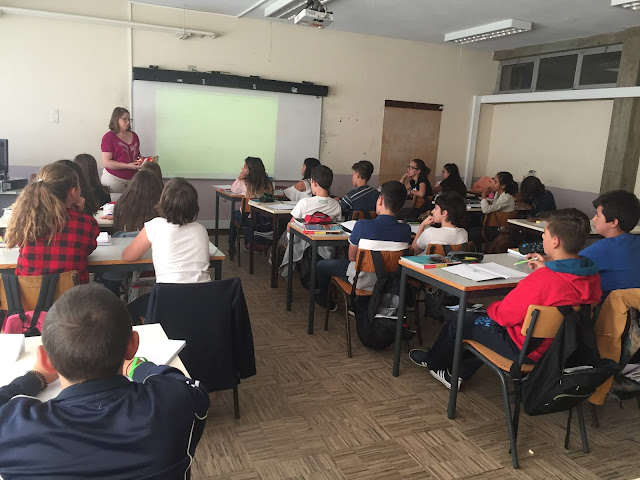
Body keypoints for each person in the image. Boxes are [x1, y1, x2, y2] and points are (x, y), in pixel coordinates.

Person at [0, 283, 210, 479]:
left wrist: (33, 378)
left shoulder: (11, 429)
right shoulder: (175, 404)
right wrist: (138, 367)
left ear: (46, 358)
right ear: (132, 345)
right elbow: (185, 386)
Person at [409, 209, 602, 390]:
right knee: (478, 321)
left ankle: (435, 363)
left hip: (525, 349)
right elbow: (562, 290)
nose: (542, 237)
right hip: (562, 348)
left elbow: (503, 316)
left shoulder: (543, 279)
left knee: (462, 321)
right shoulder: (590, 274)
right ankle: (458, 371)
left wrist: (491, 308)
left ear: (555, 241)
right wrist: (549, 267)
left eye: (544, 233)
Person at [122, 178, 211, 320]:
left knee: (128, 310)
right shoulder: (201, 230)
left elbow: (127, 256)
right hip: (203, 302)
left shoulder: (155, 225)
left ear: (163, 202)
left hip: (167, 303)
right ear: (194, 206)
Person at [316, 181, 411, 308]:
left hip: (361, 281)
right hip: (389, 282)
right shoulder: (406, 230)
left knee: (321, 265)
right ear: (401, 206)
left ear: (380, 200)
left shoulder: (362, 225)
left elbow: (352, 257)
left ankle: (324, 301)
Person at [4, 163, 99, 284]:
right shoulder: (87, 224)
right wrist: (78, 213)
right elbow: (87, 249)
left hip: (28, 294)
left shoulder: (27, 220)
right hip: (73, 295)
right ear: (73, 191)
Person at [279, 165, 342, 276]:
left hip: (302, 243)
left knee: (282, 236)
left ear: (314, 183)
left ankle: (280, 268)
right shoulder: (336, 205)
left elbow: (290, 226)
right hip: (326, 246)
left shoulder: (305, 202)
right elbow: (338, 225)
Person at [579, 190, 640, 299]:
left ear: (613, 222)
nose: (594, 219)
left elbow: (567, 264)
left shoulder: (604, 248)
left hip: (608, 307)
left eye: (598, 215)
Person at [229, 157, 275, 255]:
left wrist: (239, 177)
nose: (242, 168)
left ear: (251, 169)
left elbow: (233, 189)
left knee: (234, 214)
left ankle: (231, 247)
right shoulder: (269, 183)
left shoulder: (243, 182)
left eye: (245, 166)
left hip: (248, 219)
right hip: (265, 220)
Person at [101, 107, 142, 193]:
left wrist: (144, 161)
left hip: (133, 178)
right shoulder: (108, 137)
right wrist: (128, 166)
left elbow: (137, 155)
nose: (128, 122)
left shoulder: (134, 135)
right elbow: (106, 162)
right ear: (116, 120)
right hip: (114, 178)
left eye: (129, 119)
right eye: (124, 119)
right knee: (121, 200)